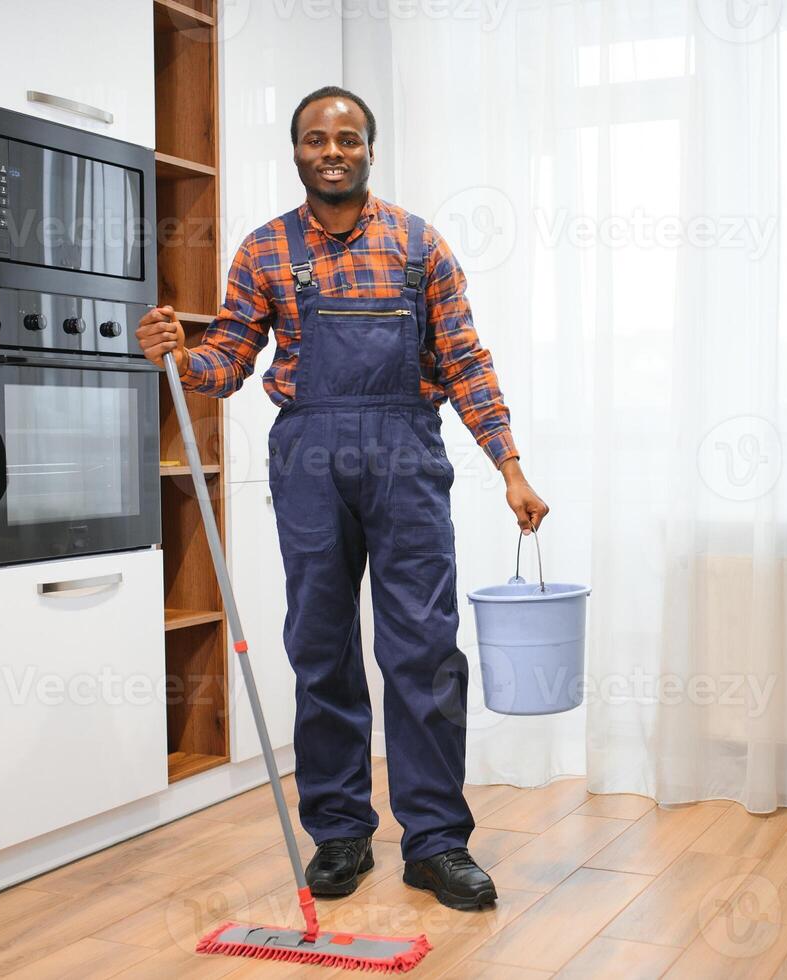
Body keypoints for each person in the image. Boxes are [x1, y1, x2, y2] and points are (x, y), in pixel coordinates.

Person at [135, 85, 548, 910]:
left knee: (423, 652)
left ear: (369, 148)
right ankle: (339, 834)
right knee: (320, 647)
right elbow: (231, 358)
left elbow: (465, 360)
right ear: (295, 152)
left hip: (405, 455)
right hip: (309, 458)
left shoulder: (417, 244)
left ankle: (434, 842)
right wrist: (178, 357)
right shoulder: (263, 251)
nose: (333, 150)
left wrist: (508, 464)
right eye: (316, 138)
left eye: (348, 138)